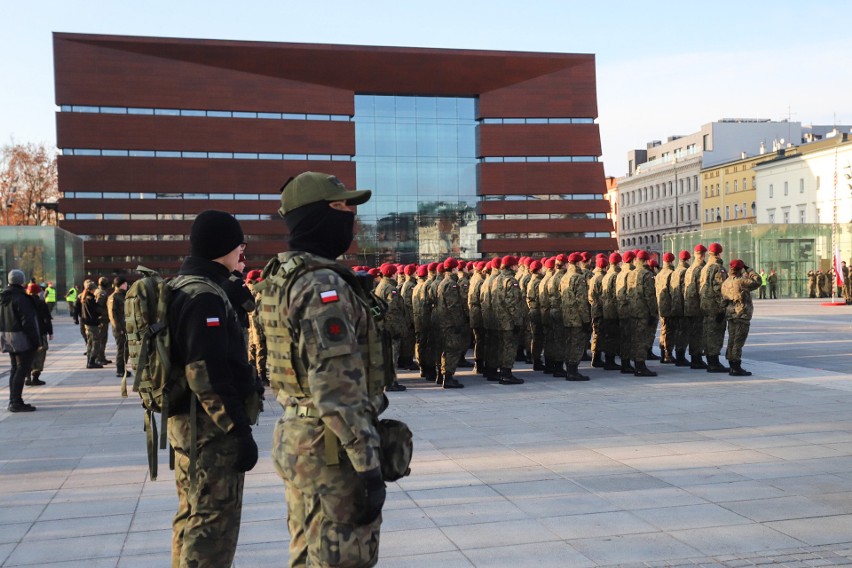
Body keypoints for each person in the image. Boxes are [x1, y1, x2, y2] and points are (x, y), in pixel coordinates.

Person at [264, 172, 390, 567]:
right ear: (315, 216)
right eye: (341, 207)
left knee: (308, 554)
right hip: (332, 447)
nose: (350, 215)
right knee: (344, 557)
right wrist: (368, 465)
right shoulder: (321, 286)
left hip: (301, 437)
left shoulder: (283, 275)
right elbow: (335, 387)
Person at [167, 209, 260, 568]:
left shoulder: (185, 286)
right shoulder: (205, 296)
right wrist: (237, 429)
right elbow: (205, 373)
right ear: (223, 246)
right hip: (210, 431)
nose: (243, 251)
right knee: (212, 528)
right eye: (239, 244)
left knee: (191, 517)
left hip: (190, 425)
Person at [1, 270, 41, 412]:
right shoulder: (21, 298)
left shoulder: (4, 296)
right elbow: (27, 322)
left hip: (7, 336)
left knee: (15, 368)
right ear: (21, 281)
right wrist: (35, 341)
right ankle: (16, 402)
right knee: (21, 369)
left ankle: (14, 400)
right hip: (21, 337)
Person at [722, 260, 761, 376]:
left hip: (731, 315)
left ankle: (731, 365)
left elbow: (723, 300)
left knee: (732, 340)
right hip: (741, 314)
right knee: (738, 342)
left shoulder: (726, 282)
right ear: (740, 269)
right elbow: (758, 281)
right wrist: (749, 269)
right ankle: (736, 366)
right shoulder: (742, 282)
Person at [626, 250, 658, 377]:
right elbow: (650, 296)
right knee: (642, 339)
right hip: (643, 311)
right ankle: (640, 366)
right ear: (646, 261)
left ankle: (637, 364)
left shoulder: (631, 274)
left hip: (632, 310)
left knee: (635, 338)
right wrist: (653, 312)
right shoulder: (646, 275)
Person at [699, 243, 729, 373]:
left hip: (705, 305)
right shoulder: (718, 268)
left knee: (707, 332)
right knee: (715, 334)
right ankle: (714, 363)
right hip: (714, 307)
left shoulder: (705, 267)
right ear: (719, 253)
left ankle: (711, 361)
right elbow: (719, 289)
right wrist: (722, 308)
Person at [683, 244, 708, 369]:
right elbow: (702, 289)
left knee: (693, 333)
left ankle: (694, 359)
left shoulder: (690, 268)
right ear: (704, 254)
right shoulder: (702, 269)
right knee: (698, 334)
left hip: (689, 306)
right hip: (698, 306)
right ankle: (696, 359)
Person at [26, 283, 53, 386]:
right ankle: (35, 377)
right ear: (38, 292)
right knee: (40, 354)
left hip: (27, 333)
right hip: (40, 332)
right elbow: (47, 318)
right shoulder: (41, 303)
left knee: (28, 354)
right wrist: (50, 332)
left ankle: (27, 375)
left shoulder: (24, 303)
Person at [107, 276, 131, 378]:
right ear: (121, 285)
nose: (127, 285)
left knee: (126, 349)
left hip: (125, 327)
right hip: (120, 328)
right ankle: (120, 370)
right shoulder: (114, 297)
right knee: (122, 349)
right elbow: (113, 315)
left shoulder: (123, 295)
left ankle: (123, 368)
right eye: (125, 284)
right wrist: (119, 329)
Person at [79, 281, 103, 369]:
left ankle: (89, 361)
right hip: (93, 324)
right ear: (91, 290)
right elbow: (96, 311)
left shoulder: (84, 299)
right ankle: (92, 361)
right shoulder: (90, 300)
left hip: (87, 324)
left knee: (90, 343)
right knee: (96, 343)